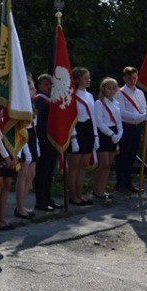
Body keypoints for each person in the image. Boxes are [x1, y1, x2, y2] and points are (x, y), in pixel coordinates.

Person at [66, 67, 97, 206]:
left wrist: (96, 135)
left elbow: (93, 116)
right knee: (74, 166)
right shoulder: (72, 96)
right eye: (85, 78)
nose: (88, 80)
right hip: (77, 130)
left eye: (89, 77)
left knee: (83, 165)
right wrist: (73, 138)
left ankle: (80, 194)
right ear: (78, 79)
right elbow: (70, 118)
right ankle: (73, 196)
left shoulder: (89, 95)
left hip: (88, 129)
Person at [116, 67, 147, 193]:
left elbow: (144, 108)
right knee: (123, 156)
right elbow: (122, 113)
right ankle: (120, 184)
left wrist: (144, 114)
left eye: (134, 78)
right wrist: (140, 116)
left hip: (136, 128)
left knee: (132, 156)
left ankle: (128, 183)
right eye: (129, 78)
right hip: (126, 127)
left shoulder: (140, 93)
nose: (132, 80)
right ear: (124, 78)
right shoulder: (120, 93)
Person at [32, 74, 61, 211]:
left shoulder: (52, 100)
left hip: (53, 140)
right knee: (42, 171)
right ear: (39, 86)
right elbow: (40, 122)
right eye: (45, 84)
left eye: (50, 84)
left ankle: (48, 198)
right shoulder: (39, 101)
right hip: (44, 139)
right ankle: (40, 201)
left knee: (50, 171)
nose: (49, 87)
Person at [93, 77, 123, 199]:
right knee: (104, 163)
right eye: (108, 88)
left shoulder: (116, 103)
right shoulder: (99, 103)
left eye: (114, 88)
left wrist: (119, 134)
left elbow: (119, 122)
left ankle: (102, 189)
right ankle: (96, 189)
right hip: (104, 134)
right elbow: (99, 122)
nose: (111, 91)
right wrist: (111, 134)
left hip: (115, 134)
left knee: (109, 164)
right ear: (103, 89)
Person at [14, 77, 39, 219]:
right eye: (31, 88)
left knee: (31, 173)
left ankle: (23, 204)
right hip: (23, 136)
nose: (35, 90)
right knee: (23, 174)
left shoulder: (32, 103)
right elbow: (19, 127)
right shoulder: (21, 105)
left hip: (32, 136)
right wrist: (24, 148)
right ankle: (19, 207)